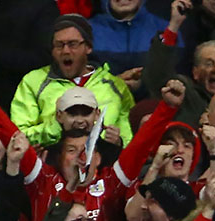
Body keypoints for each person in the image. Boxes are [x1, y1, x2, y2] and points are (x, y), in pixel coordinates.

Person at [10, 13, 135, 149]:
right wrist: (55, 126)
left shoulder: (115, 86)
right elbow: (17, 137)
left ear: (88, 47)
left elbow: (132, 140)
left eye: (72, 44)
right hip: (51, 164)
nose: (65, 51)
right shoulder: (33, 82)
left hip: (104, 165)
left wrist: (119, 142)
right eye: (59, 45)